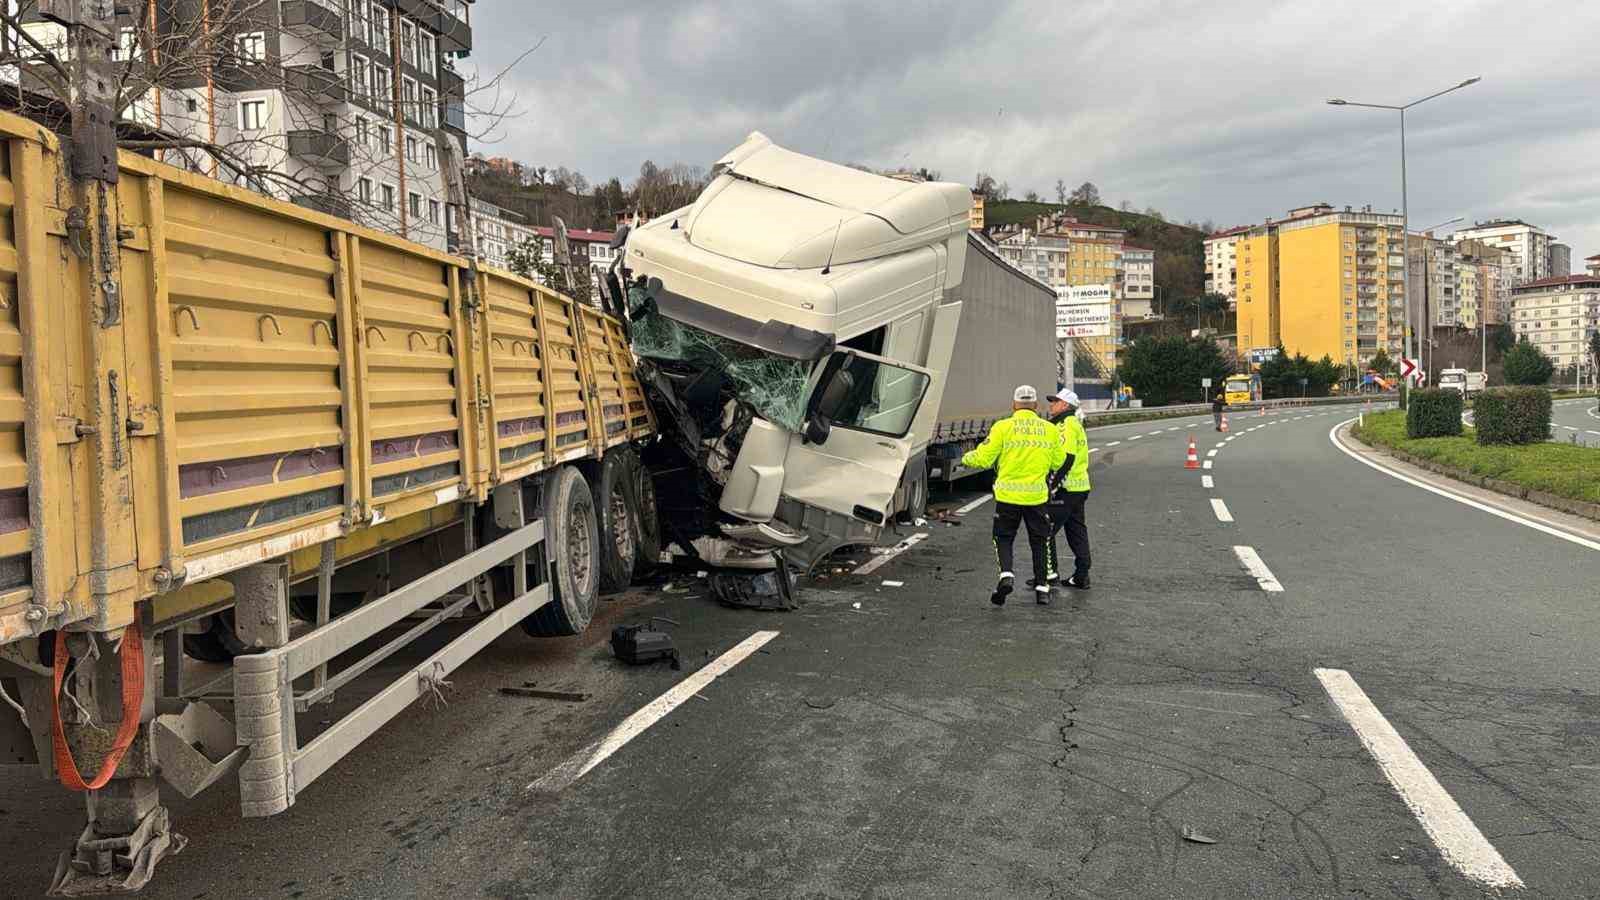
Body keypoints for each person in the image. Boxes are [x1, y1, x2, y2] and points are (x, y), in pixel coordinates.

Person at [961, 385, 1066, 606]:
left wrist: (966, 458)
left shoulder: (1003, 427)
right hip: (1036, 497)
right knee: (1039, 540)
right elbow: (1058, 461)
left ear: (1014, 405)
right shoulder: (1050, 429)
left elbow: (983, 458)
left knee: (1004, 538)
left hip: (1008, 497)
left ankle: (1006, 575)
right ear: (1036, 406)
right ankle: (1042, 588)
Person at [1043, 390, 1091, 590]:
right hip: (1080, 487)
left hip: (1067, 489)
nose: (1051, 405)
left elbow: (1067, 458)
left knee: (1044, 530)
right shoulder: (1074, 424)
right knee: (1076, 531)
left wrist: (1053, 486)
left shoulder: (1066, 426)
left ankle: (1048, 575)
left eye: (1055, 401)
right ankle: (1081, 575)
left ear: (1065, 405)